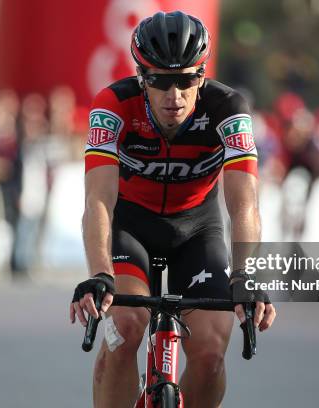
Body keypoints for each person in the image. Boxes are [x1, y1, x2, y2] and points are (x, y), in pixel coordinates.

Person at [69, 11, 276, 407]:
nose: (174, 95)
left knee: (212, 351)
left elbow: (244, 202)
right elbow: (98, 199)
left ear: (202, 75)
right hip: (130, 226)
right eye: (161, 81)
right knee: (125, 329)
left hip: (198, 229)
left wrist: (245, 274)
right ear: (141, 77)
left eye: (186, 79)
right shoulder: (113, 104)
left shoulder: (229, 107)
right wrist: (99, 272)